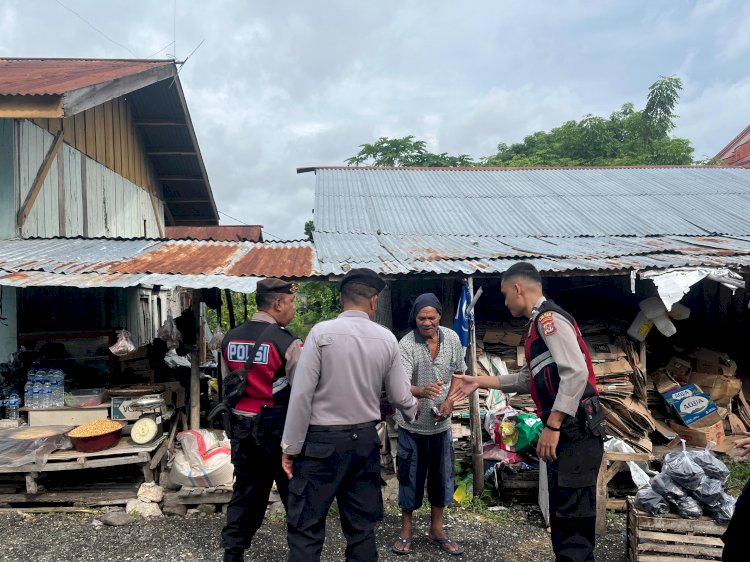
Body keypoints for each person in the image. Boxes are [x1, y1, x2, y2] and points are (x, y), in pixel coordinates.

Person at [450, 262, 604, 562]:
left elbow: (575, 374)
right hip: (569, 432)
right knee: (563, 517)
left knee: (573, 523)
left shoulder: (549, 320)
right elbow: (525, 379)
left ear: (518, 289)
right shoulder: (536, 325)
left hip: (576, 431)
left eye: (506, 294)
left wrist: (553, 425)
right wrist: (478, 380)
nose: (506, 302)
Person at [281, 268, 419, 562]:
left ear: (341, 299)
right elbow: (399, 395)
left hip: (321, 445)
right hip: (364, 443)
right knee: (361, 529)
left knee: (306, 527)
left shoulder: (320, 332)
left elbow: (302, 394)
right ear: (373, 301)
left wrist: (291, 448)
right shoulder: (386, 339)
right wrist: (414, 409)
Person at [219, 278, 303, 562]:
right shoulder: (286, 342)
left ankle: (233, 553)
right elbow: (302, 393)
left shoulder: (230, 338)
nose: (292, 308)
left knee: (246, 493)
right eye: (290, 302)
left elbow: (226, 386)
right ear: (278, 303)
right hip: (278, 431)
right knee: (294, 494)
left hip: (241, 430)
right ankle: (300, 553)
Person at [392, 293, 466, 556]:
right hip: (411, 424)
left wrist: (449, 403)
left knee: (441, 478)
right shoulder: (406, 344)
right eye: (421, 318)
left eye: (431, 318)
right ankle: (406, 531)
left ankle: (437, 529)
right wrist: (421, 391)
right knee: (409, 476)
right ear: (415, 318)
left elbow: (458, 373)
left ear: (439, 317)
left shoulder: (453, 339)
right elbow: (399, 385)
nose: (426, 323)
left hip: (441, 426)